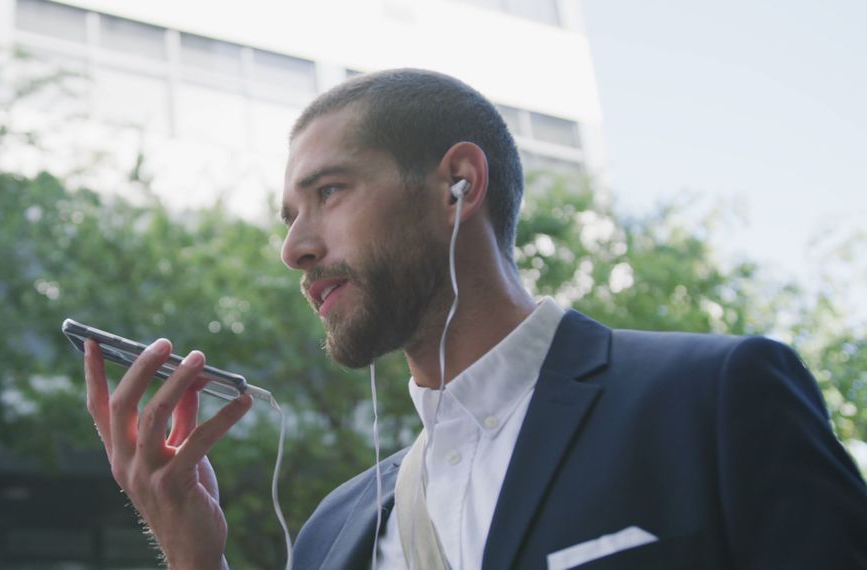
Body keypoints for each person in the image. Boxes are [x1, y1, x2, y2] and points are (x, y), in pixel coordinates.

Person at [83, 69, 867, 569]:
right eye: (287, 216)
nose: (294, 247)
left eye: (329, 193)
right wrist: (193, 558)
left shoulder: (715, 399)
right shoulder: (331, 532)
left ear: (458, 183)